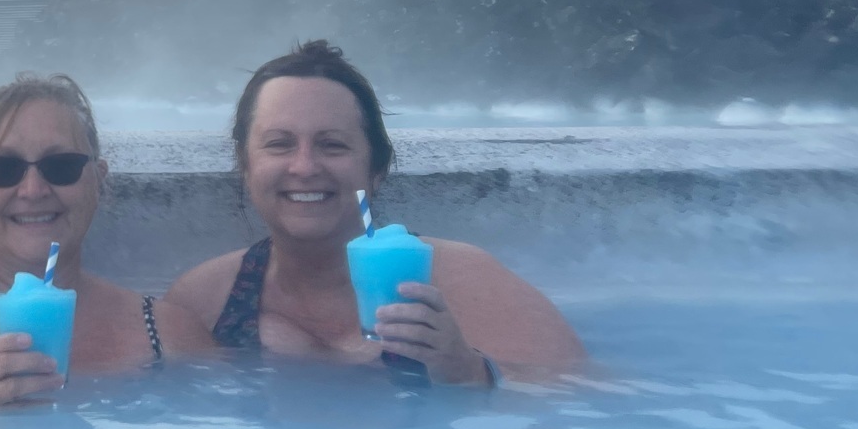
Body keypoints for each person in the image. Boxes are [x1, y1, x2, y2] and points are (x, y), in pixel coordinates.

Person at [165, 41, 585, 384]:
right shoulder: (204, 300)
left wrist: (470, 372)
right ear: (246, 164)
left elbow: (582, 398)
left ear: (376, 168)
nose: (305, 167)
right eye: (279, 144)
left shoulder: (463, 282)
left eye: (333, 145)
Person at [0, 73, 215, 405]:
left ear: (98, 180)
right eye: (4, 169)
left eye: (61, 166)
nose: (32, 190)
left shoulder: (172, 338)